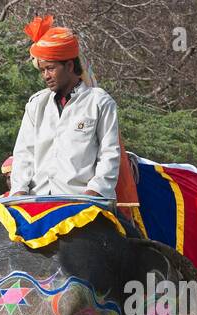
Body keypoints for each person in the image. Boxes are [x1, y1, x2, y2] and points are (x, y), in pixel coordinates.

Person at [8, 15, 120, 200]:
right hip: (36, 200)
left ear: (69, 65)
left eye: (50, 68)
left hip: (82, 200)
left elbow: (109, 154)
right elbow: (23, 154)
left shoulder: (99, 102)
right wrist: (19, 193)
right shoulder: (36, 104)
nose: (46, 76)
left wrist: (94, 193)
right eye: (42, 70)